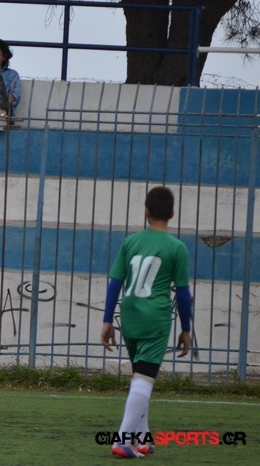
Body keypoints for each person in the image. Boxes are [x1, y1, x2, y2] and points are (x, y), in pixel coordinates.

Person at [101, 186, 192, 459]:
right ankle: (122, 441)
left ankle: (141, 439)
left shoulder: (130, 243)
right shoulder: (177, 248)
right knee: (144, 378)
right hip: (155, 318)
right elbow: (183, 294)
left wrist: (107, 320)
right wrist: (186, 329)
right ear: (172, 213)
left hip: (130, 315)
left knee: (140, 375)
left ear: (146, 211)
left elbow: (115, 283)